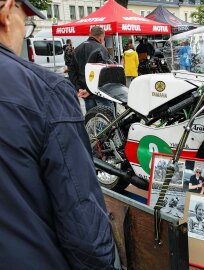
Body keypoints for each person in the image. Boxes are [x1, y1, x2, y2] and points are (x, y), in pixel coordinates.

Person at [0, 0, 118, 269]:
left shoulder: (75, 51)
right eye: (27, 21)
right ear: (7, 11)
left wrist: (78, 86)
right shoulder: (43, 92)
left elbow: (75, 68)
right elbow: (82, 220)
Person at [69, 26, 113, 112]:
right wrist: (89, 90)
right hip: (100, 94)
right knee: (107, 122)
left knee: (92, 121)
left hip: (86, 93)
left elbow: (72, 71)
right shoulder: (101, 48)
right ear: (101, 38)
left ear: (90, 34)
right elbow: (105, 73)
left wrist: (79, 88)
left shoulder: (77, 49)